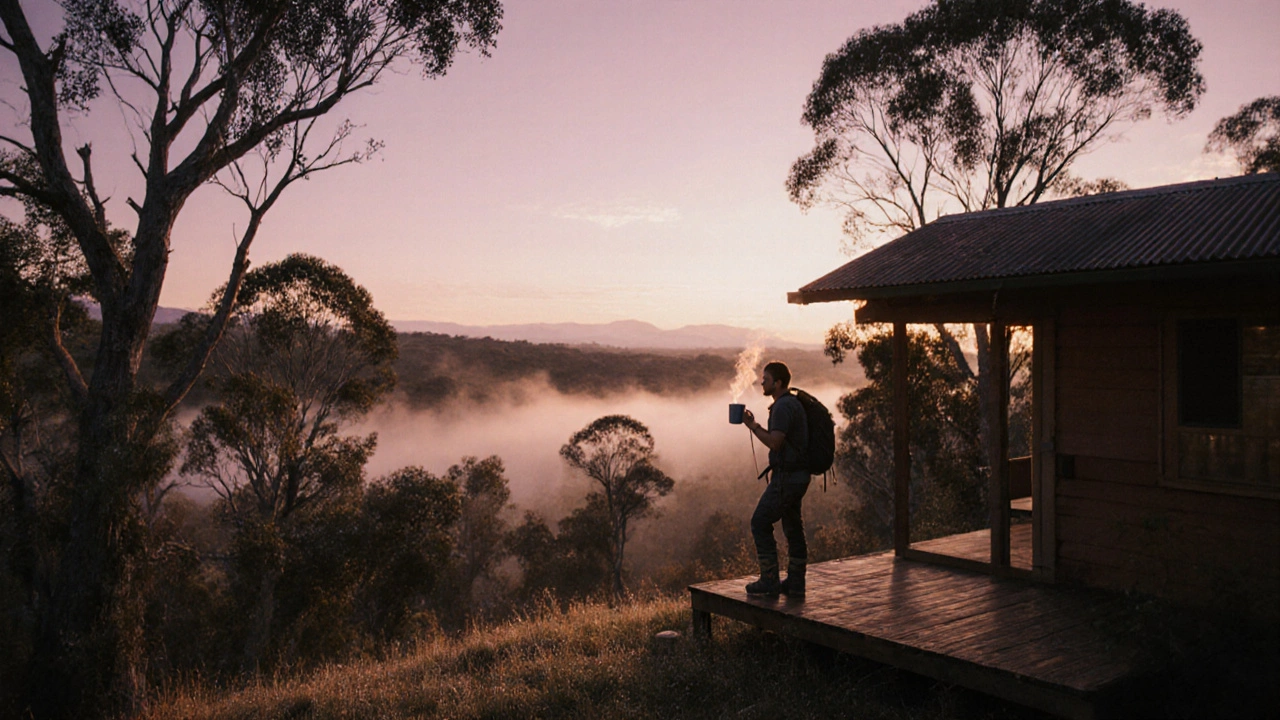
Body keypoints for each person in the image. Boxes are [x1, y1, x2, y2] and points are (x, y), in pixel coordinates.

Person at [741, 361, 810, 598]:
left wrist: (753, 426)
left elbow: (775, 442)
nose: (762, 382)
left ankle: (769, 580)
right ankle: (795, 582)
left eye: (766, 379)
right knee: (792, 527)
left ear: (778, 383)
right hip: (799, 476)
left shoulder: (782, 407)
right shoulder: (792, 403)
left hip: (788, 478)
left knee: (760, 522)